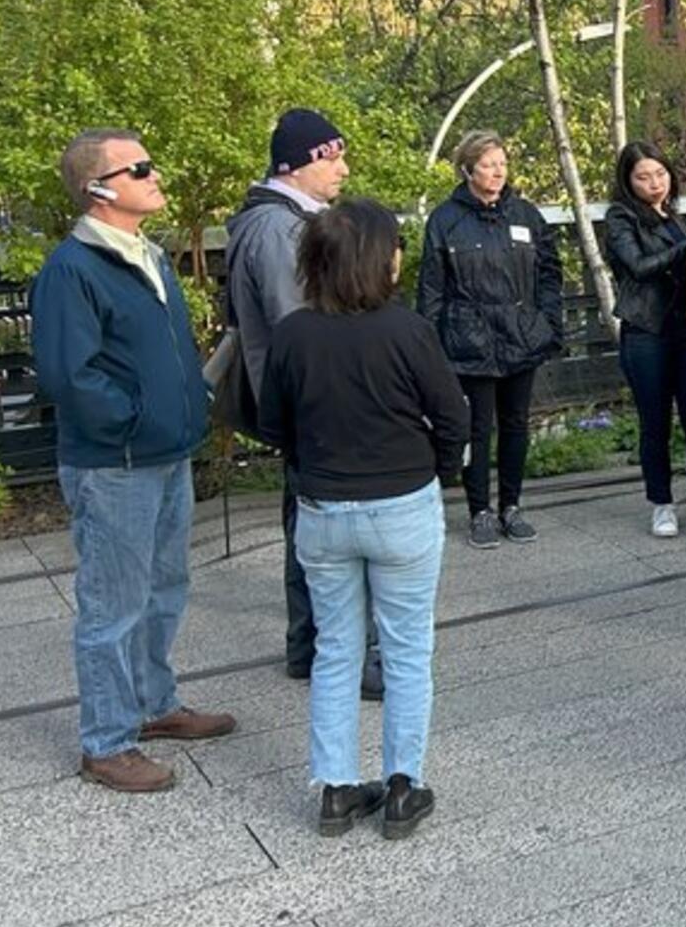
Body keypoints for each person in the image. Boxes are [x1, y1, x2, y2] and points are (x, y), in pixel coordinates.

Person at [258, 199, 468, 841]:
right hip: (401, 503)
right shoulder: (406, 330)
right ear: (381, 259)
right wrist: (435, 470)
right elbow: (454, 417)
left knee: (336, 649)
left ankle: (337, 788)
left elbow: (273, 425)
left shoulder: (293, 333)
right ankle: (405, 783)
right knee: (406, 650)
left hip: (322, 510)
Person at [31, 128, 231, 793]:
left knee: (164, 589)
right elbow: (71, 376)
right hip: (115, 463)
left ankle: (154, 706)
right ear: (98, 188)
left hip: (165, 454)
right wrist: (136, 421)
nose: (154, 174)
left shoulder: (146, 254)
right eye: (138, 167)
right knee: (111, 607)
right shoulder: (72, 269)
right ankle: (107, 743)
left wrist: (188, 406)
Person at [225, 108, 382, 699]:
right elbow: (300, 326)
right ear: (297, 165)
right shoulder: (276, 229)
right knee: (323, 528)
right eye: (331, 157)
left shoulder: (286, 220)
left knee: (309, 521)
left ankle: (309, 646)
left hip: (302, 396)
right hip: (311, 399)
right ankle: (326, 649)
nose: (342, 168)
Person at [417, 131, 564, 551]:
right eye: (488, 164)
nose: (498, 172)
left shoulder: (525, 214)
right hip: (468, 339)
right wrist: (432, 346)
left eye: (502, 163)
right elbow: (431, 289)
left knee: (517, 423)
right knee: (477, 428)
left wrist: (547, 322)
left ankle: (512, 505)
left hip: (520, 334)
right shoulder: (445, 220)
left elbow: (550, 272)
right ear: (467, 169)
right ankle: (479, 509)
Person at [604, 141, 686, 539]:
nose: (654, 183)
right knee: (654, 421)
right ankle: (662, 503)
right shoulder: (621, 217)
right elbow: (637, 267)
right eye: (643, 177)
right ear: (628, 180)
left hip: (685, 330)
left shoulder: (672, 215)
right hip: (646, 330)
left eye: (660, 174)